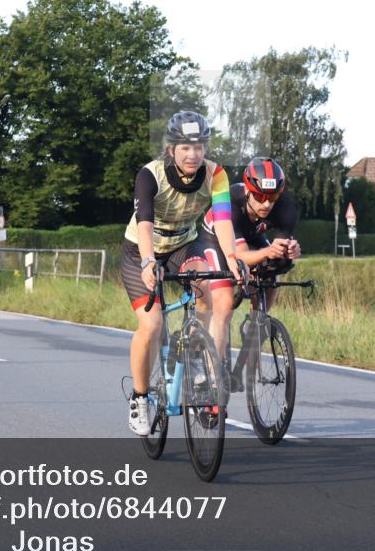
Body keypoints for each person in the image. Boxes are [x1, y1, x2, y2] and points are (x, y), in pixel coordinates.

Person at [123, 111, 240, 436]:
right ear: (171, 148)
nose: (193, 154)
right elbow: (145, 224)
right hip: (140, 251)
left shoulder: (215, 174)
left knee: (208, 288)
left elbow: (224, 221)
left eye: (199, 147)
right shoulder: (150, 174)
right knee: (152, 323)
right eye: (186, 148)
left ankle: (200, 359)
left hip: (182, 246)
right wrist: (149, 263)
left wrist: (232, 259)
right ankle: (140, 397)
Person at [200, 157, 301, 389]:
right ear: (247, 191)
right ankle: (214, 379)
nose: (266, 204)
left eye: (272, 197)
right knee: (224, 306)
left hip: (252, 235)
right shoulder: (232, 203)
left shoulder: (285, 208)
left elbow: (282, 248)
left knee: (272, 275)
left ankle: (254, 326)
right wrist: (268, 251)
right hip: (217, 237)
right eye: (260, 197)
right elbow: (241, 255)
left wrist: (291, 250)